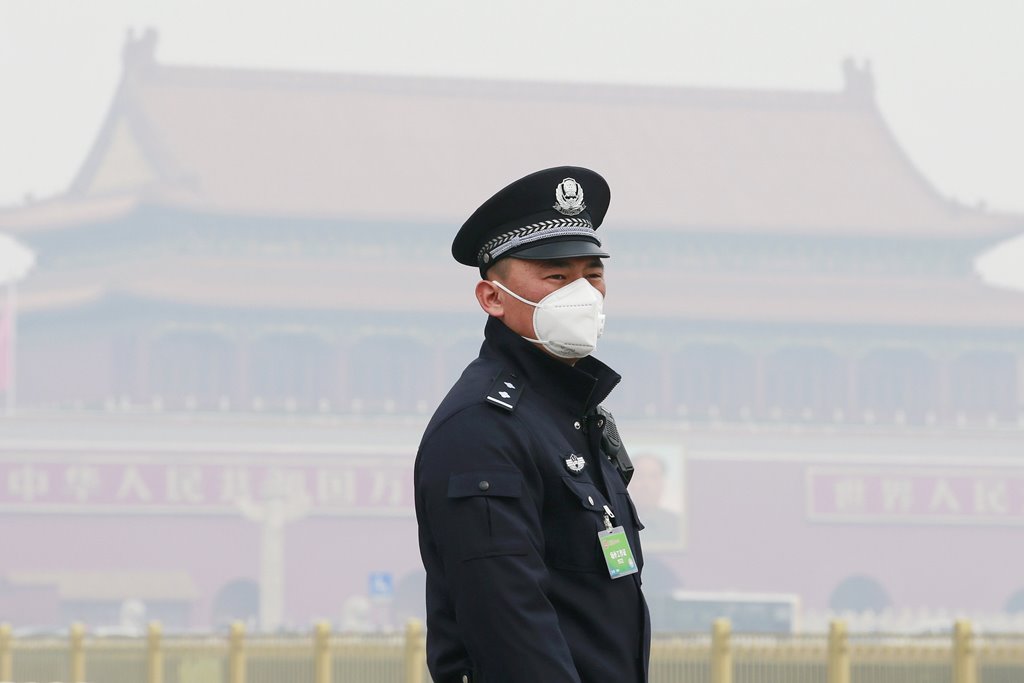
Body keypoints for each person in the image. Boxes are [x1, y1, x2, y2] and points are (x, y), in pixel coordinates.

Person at [414, 166, 650, 683]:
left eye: (593, 274)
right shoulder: (482, 428)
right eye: (556, 276)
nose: (582, 293)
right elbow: (509, 626)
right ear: (492, 298)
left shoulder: (572, 415)